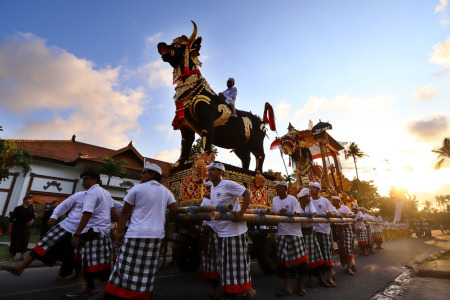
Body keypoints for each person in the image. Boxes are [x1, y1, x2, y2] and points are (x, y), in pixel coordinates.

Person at [105, 162, 177, 300]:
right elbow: (174, 209)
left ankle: (119, 295)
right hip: (156, 236)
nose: (141, 175)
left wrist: (119, 232)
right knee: (147, 271)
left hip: (136, 234)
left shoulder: (137, 188)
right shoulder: (166, 191)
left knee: (125, 267)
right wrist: (166, 218)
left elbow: (125, 212)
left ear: (152, 174)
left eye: (143, 172)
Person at [0, 191, 86, 282]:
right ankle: (20, 266)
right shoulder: (79, 197)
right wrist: (54, 216)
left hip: (80, 230)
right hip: (64, 228)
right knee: (44, 245)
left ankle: (79, 279)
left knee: (76, 253)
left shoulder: (94, 197)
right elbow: (62, 207)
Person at [207, 161, 255, 300]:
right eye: (209, 170)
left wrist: (240, 213)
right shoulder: (213, 188)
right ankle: (230, 293)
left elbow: (247, 193)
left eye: (213, 170)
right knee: (227, 267)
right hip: (222, 232)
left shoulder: (228, 184)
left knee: (238, 266)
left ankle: (247, 292)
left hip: (235, 232)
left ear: (221, 173)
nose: (210, 172)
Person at [68, 170, 114, 300]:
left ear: (95, 180)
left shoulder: (92, 193)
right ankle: (87, 288)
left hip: (94, 232)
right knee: (89, 263)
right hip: (99, 232)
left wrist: (76, 234)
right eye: (82, 179)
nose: (83, 181)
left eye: (86, 178)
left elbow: (87, 213)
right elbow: (113, 210)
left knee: (98, 265)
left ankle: (104, 292)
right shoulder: (105, 192)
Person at [272, 181, 308, 297]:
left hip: (294, 233)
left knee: (299, 261)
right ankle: (288, 288)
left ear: (285, 188)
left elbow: (298, 213)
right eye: (276, 187)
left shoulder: (292, 199)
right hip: (282, 233)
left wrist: (288, 213)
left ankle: (300, 286)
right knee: (284, 262)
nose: (277, 189)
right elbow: (274, 215)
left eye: (280, 187)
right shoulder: (275, 200)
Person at [309, 182, 337, 287]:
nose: (312, 190)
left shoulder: (324, 200)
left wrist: (330, 213)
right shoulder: (308, 200)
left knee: (327, 254)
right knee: (316, 255)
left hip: (325, 231)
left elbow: (334, 212)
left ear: (319, 190)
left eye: (314, 188)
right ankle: (320, 278)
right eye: (311, 188)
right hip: (313, 231)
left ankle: (329, 279)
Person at [297, 188, 326, 288]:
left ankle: (320, 278)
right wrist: (307, 216)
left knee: (316, 256)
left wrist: (306, 216)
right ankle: (309, 279)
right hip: (301, 234)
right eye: (307, 196)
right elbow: (298, 216)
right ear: (303, 198)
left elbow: (314, 214)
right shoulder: (297, 206)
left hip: (310, 233)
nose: (309, 198)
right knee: (306, 258)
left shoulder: (310, 204)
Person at [200, 180, 222, 300]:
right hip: (207, 232)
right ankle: (215, 291)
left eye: (210, 188)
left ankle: (224, 291)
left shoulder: (219, 196)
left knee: (219, 261)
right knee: (209, 263)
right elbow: (201, 210)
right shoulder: (205, 199)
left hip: (217, 233)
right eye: (207, 188)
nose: (208, 190)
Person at [331, 196, 356, 275]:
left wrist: (346, 215)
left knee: (348, 248)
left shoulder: (345, 207)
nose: (333, 202)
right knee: (341, 249)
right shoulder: (332, 209)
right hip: (337, 230)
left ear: (339, 201)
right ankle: (348, 265)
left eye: (334, 200)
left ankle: (349, 268)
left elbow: (352, 215)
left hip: (346, 229)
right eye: (332, 201)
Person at [8, 195, 35, 261]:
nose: (30, 201)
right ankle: (12, 256)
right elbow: (12, 218)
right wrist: (10, 227)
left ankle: (22, 256)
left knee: (24, 241)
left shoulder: (31, 209)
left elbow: (32, 217)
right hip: (16, 227)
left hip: (25, 228)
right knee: (14, 241)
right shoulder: (18, 208)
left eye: (31, 200)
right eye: (29, 199)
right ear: (25, 200)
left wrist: (31, 221)